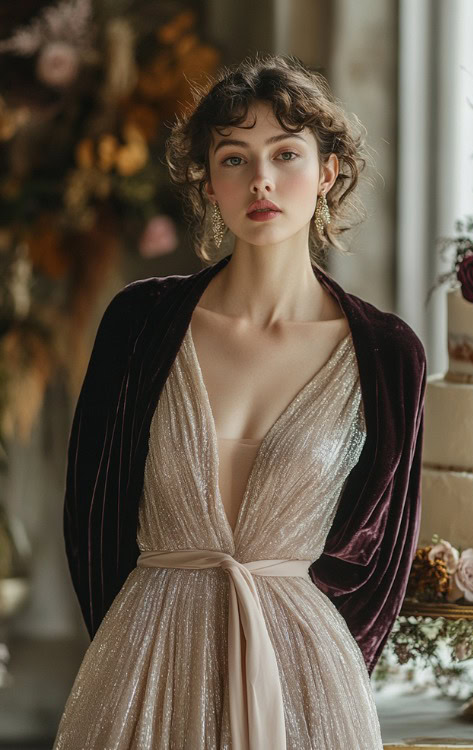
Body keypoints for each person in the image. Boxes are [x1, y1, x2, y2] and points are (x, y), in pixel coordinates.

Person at [54, 53, 426, 749]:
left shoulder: (386, 352)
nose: (261, 179)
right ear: (207, 181)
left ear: (327, 173)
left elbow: (382, 563)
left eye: (286, 153)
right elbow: (91, 516)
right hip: (145, 667)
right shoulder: (138, 325)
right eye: (233, 158)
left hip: (309, 684)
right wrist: (139, 640)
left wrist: (319, 665)